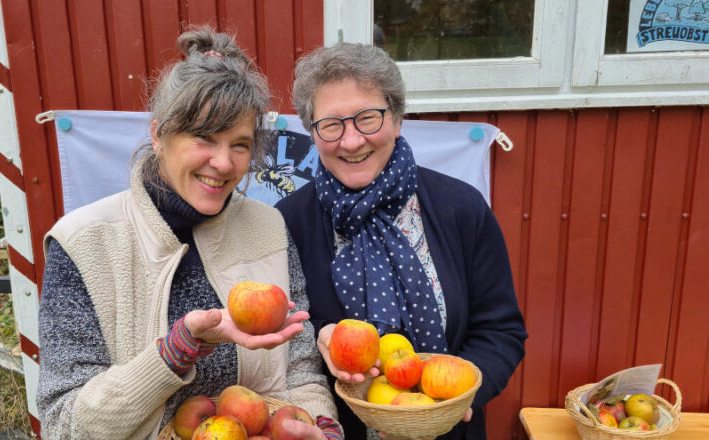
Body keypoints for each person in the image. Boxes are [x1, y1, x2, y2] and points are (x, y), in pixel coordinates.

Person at [37, 28, 343, 440]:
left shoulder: (268, 228)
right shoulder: (84, 243)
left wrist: (323, 428)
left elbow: (302, 371)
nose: (222, 162)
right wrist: (177, 349)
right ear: (159, 135)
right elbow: (62, 425)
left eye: (240, 144)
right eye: (204, 137)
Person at [275, 42, 528, 440]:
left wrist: (457, 397)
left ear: (396, 118)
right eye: (331, 124)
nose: (352, 140)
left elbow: (501, 331)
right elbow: (290, 335)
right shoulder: (289, 221)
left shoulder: (460, 208)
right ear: (312, 133)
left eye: (368, 119)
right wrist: (322, 336)